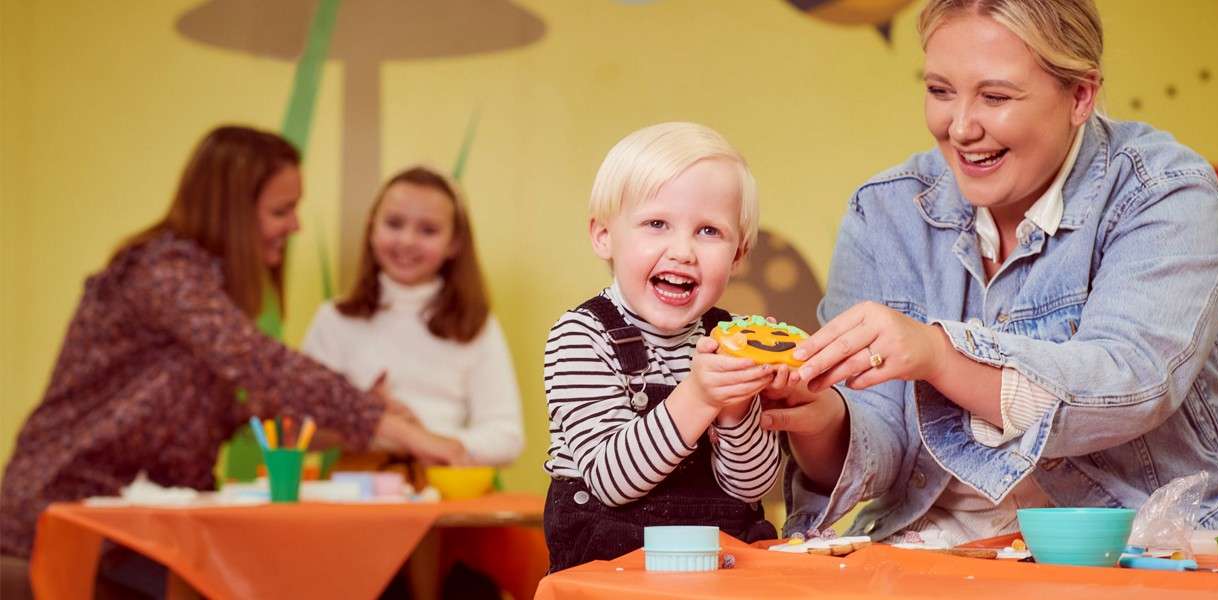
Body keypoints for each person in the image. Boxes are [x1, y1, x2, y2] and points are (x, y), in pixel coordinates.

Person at [762, 0, 1218, 547]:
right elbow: (880, 442)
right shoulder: (885, 210)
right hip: (939, 542)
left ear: (1080, 95)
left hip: (1141, 536)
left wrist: (938, 354)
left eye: (995, 97)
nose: (959, 127)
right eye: (939, 91)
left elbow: (1132, 386)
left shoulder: (1165, 193)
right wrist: (816, 416)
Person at [0, 126, 441, 563]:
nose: (295, 225)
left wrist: (350, 425)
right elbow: (257, 361)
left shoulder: (209, 294)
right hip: (67, 514)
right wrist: (378, 420)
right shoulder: (163, 273)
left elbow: (234, 407)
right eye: (281, 211)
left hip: (141, 521)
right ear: (233, 212)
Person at [542, 122, 785, 571]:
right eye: (656, 224)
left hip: (718, 562)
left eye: (709, 231)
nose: (683, 251)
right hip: (614, 567)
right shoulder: (581, 336)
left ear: (738, 255)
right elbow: (611, 480)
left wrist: (734, 410)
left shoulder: (731, 342)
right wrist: (699, 397)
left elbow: (751, 489)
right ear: (604, 236)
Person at [301, 165, 524, 470]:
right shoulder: (334, 319)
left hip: (441, 498)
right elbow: (300, 432)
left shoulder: (475, 324)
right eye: (394, 223)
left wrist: (427, 438)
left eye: (428, 230)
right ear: (371, 228)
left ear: (454, 243)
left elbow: (507, 437)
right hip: (354, 494)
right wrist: (364, 417)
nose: (406, 241)